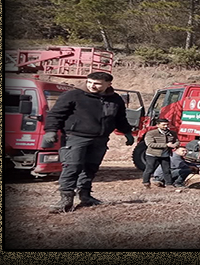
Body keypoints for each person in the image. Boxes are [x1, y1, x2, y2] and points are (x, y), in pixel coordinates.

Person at [42, 71, 135, 213]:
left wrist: (127, 132)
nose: (92, 85)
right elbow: (56, 114)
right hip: (75, 137)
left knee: (90, 168)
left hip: (100, 139)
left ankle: (85, 196)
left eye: (97, 84)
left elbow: (120, 118)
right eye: (89, 82)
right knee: (72, 167)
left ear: (108, 84)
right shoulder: (73, 95)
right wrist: (51, 131)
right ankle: (65, 200)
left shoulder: (115, 99)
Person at [141, 118, 180, 189]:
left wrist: (175, 145)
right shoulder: (151, 133)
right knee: (149, 169)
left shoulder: (172, 133)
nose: (166, 126)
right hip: (152, 154)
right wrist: (166, 145)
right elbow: (150, 144)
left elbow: (177, 141)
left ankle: (169, 184)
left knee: (167, 170)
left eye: (167, 124)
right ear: (158, 125)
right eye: (163, 125)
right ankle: (146, 183)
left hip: (165, 155)